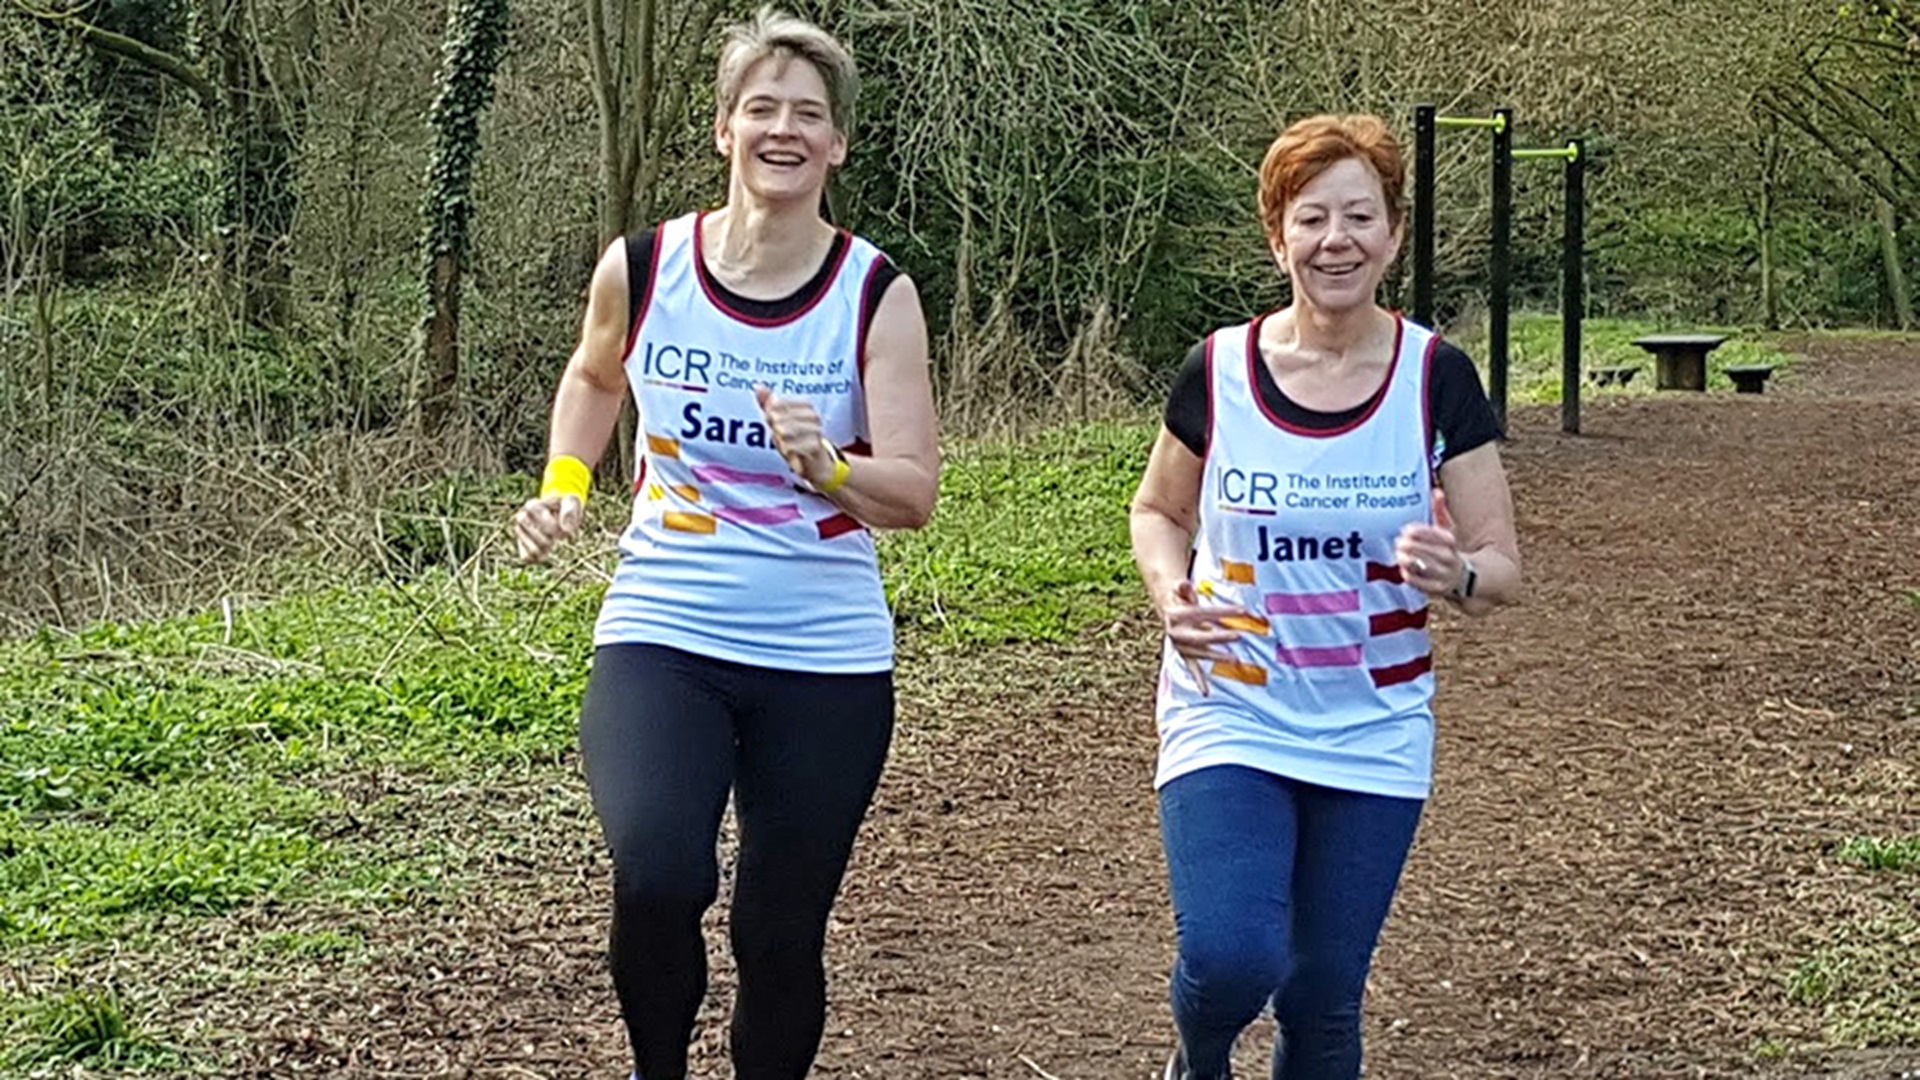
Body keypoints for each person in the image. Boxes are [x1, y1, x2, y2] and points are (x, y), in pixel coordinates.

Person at [509, 9, 938, 1079]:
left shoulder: (874, 295)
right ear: (723, 129)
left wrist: (832, 468)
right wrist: (566, 485)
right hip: (666, 623)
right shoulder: (646, 264)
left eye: (807, 115)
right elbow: (596, 376)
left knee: (776, 933)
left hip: (825, 655)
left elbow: (915, 493)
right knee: (657, 876)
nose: (782, 131)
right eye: (762, 110)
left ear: (837, 144)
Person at [1128, 113, 1521, 1080]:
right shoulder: (1218, 369)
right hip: (1233, 706)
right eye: (1310, 219)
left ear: (1391, 235)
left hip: (1374, 725)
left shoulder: (1436, 377)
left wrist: (1457, 575)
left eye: (1358, 216)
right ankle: (1200, 1054)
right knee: (1231, 958)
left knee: (1320, 994)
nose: (1334, 240)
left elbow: (1502, 566)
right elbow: (1156, 510)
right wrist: (1170, 593)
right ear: (1279, 237)